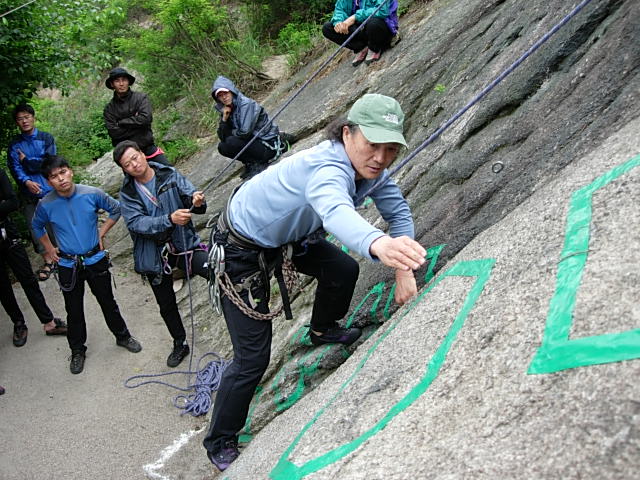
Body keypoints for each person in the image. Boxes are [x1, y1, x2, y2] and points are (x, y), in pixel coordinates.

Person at [202, 93, 426, 471]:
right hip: (240, 250)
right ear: (347, 133)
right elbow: (334, 211)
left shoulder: (370, 172)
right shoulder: (327, 167)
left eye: (390, 149)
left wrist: (403, 269)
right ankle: (219, 439)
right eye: (373, 144)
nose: (380, 157)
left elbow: (399, 213)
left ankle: (322, 329)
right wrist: (378, 243)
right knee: (252, 358)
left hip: (288, 238)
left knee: (342, 270)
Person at [33, 155, 142, 374]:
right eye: (54, 176)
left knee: (107, 301)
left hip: (95, 258)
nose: (61, 179)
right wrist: (49, 249)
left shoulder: (91, 193)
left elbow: (116, 209)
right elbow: (36, 226)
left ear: (70, 171)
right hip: (68, 264)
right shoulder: (46, 204)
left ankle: (123, 336)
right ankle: (77, 351)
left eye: (63, 172)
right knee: (73, 310)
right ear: (48, 182)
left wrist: (101, 232)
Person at [114, 140, 207, 368]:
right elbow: (137, 223)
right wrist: (169, 219)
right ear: (124, 170)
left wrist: (196, 201)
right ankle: (180, 343)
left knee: (213, 268)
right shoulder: (128, 193)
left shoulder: (168, 174)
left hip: (183, 243)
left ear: (142, 154)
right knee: (166, 304)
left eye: (135, 157)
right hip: (154, 253)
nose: (134, 164)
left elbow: (190, 197)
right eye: (127, 164)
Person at [1, 168, 67, 347]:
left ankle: (49, 322)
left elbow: (13, 202)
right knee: (2, 287)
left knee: (28, 278)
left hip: (8, 234)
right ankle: (18, 323)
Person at [7, 104, 59, 279]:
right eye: (20, 119)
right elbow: (14, 167)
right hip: (28, 192)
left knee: (55, 222)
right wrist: (26, 181)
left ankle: (64, 255)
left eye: (27, 117)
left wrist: (27, 161)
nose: (24, 121)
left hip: (49, 188)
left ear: (33, 118)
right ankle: (48, 260)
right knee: (34, 225)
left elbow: (49, 162)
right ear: (17, 122)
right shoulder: (15, 144)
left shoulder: (46, 138)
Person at [212, 75, 294, 179]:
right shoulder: (227, 109)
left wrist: (231, 133)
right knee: (222, 147)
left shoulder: (245, 104)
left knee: (231, 141)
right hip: (255, 143)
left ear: (231, 91)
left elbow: (245, 132)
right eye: (220, 95)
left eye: (225, 93)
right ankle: (252, 163)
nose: (224, 97)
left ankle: (261, 161)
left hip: (267, 143)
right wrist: (224, 119)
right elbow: (222, 137)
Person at [103, 67, 170, 166]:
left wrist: (121, 123)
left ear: (128, 82)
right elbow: (114, 133)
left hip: (148, 148)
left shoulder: (141, 98)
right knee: (133, 177)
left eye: (124, 80)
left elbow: (146, 119)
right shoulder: (109, 109)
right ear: (112, 84)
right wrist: (138, 124)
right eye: (117, 81)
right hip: (127, 155)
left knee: (170, 172)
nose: (121, 84)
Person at [322, 0, 399, 66]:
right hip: (364, 29)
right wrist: (338, 22)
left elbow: (382, 11)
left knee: (373, 23)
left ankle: (374, 47)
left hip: (382, 25)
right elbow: (340, 10)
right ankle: (362, 47)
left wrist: (355, 17)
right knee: (328, 28)